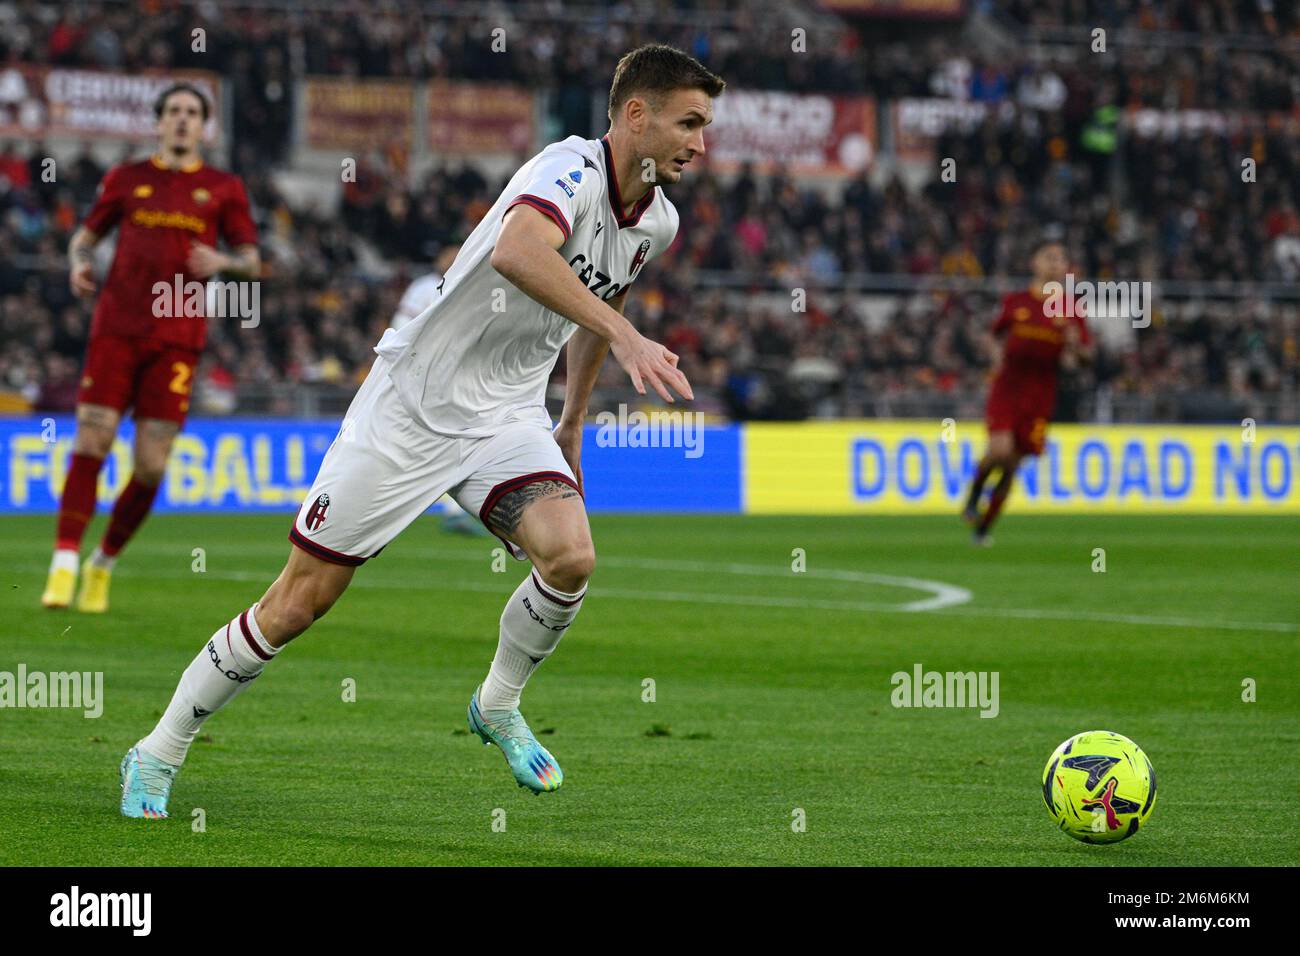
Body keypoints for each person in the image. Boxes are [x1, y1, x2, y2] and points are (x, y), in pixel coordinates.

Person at [118, 44, 724, 817]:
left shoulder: (658, 222)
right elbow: (518, 252)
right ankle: (158, 750)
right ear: (636, 115)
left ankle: (496, 705)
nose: (700, 143)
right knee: (298, 603)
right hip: (412, 407)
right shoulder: (563, 171)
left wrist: (571, 417)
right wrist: (629, 336)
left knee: (571, 557)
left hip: (506, 413)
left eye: (704, 125)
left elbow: (602, 307)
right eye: (689, 122)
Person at [42, 82, 259, 612]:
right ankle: (64, 560)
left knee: (152, 466)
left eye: (192, 113)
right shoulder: (126, 179)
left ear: (204, 126)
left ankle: (104, 562)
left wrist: (224, 264)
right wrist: (78, 260)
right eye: (174, 112)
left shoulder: (223, 187)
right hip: (117, 326)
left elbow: (252, 260)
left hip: (178, 339)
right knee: (93, 438)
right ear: (159, 122)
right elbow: (86, 236)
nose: (183, 120)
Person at [962, 238, 1092, 544]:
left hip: (1040, 394)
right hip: (1008, 386)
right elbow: (992, 335)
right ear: (1034, 263)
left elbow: (1085, 356)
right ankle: (974, 493)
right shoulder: (1017, 301)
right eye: (1048, 256)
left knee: (1012, 464)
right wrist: (995, 354)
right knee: (1000, 450)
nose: (1055, 263)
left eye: (1061, 259)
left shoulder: (1071, 309)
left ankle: (983, 528)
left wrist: (1074, 347)